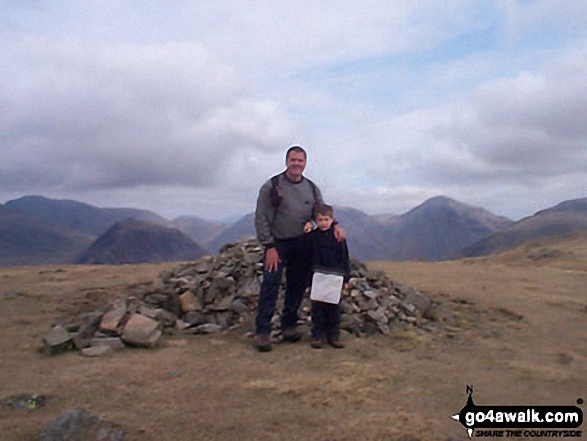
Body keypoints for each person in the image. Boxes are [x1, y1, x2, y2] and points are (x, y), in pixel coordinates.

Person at [254, 146, 345, 352]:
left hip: (303, 243)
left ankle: (289, 327)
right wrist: (269, 246)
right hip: (277, 243)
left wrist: (336, 225)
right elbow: (261, 217)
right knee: (270, 284)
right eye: (293, 160)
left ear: (305, 163)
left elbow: (321, 211)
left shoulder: (311, 188)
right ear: (286, 161)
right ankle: (262, 332)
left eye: (300, 160)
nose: (296, 164)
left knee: (296, 286)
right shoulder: (272, 186)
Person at [305, 203, 350, 349]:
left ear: (332, 219)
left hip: (335, 277)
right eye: (320, 220)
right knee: (317, 308)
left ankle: (333, 335)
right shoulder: (312, 237)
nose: (323, 223)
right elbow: (306, 255)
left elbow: (344, 257)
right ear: (315, 221)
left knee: (333, 308)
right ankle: (318, 335)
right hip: (318, 276)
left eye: (326, 219)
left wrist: (346, 278)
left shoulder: (338, 237)